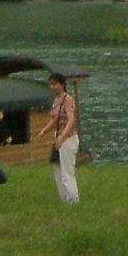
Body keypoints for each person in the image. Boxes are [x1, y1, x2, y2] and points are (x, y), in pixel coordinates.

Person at [48, 74, 80, 204]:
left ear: (62, 85)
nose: (52, 87)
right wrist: (44, 131)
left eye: (55, 84)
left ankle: (73, 199)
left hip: (68, 139)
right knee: (58, 171)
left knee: (67, 172)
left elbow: (71, 120)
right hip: (58, 139)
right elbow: (54, 119)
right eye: (51, 84)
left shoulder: (68, 100)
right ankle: (65, 199)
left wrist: (62, 136)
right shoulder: (56, 101)